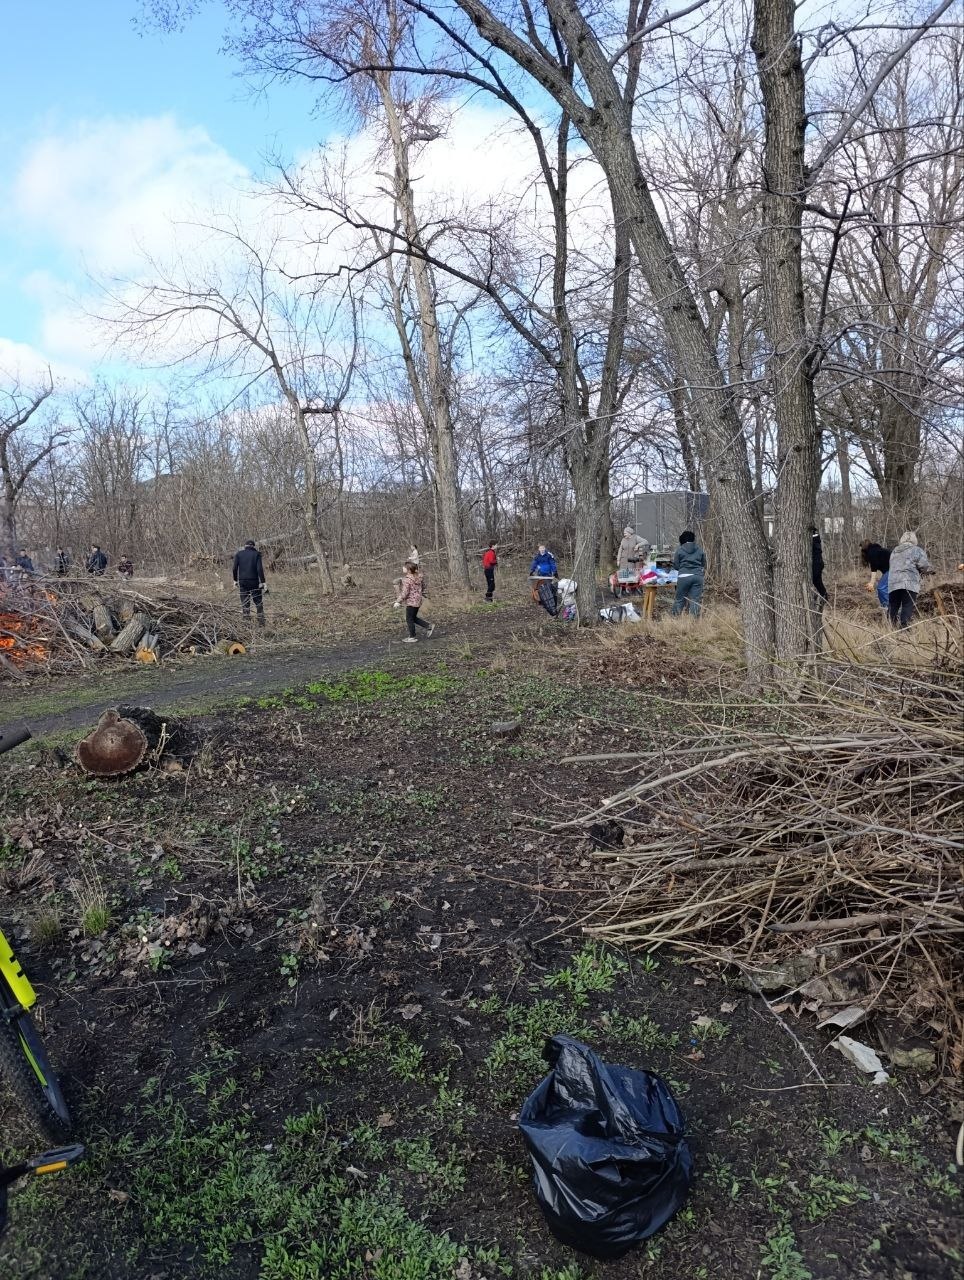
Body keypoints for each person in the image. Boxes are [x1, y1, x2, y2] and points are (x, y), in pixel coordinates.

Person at [886, 531, 932, 628]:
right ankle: (904, 629)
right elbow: (924, 566)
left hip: (893, 583)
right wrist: (930, 571)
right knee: (907, 605)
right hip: (909, 583)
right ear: (914, 540)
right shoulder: (917, 550)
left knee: (893, 605)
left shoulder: (894, 551)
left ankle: (890, 628)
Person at [394, 560, 434, 643]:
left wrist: (398, 601)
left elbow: (405, 593)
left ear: (408, 570)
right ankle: (429, 626)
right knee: (413, 618)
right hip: (418, 601)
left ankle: (412, 637)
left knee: (409, 619)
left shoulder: (407, 580)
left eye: (404, 567)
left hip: (411, 602)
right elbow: (423, 586)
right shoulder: (419, 577)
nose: (403, 568)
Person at [670, 530, 706, 617]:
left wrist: (682, 569)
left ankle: (675, 618)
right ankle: (693, 621)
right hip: (697, 576)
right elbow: (703, 564)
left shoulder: (679, 550)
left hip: (684, 577)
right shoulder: (700, 550)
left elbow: (676, 566)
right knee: (695, 600)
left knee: (680, 599)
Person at [232, 539, 266, 626]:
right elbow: (259, 569)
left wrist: (235, 580)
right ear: (253, 546)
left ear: (245, 546)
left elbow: (234, 568)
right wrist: (263, 582)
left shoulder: (239, 554)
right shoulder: (257, 554)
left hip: (243, 581)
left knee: (245, 602)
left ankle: (246, 623)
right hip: (254, 581)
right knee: (258, 602)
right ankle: (261, 622)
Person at [860, 540, 891, 609]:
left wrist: (871, 583)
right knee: (887, 589)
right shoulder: (877, 550)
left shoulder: (872, 552)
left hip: (893, 570)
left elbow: (874, 568)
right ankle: (887, 606)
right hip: (893, 570)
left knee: (881, 588)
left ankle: (888, 606)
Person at [530, 543, 559, 616]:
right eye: (540, 548)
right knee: (541, 587)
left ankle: (550, 600)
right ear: (539, 549)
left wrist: (555, 571)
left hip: (548, 574)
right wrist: (532, 570)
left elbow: (552, 563)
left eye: (543, 548)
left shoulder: (549, 555)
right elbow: (534, 563)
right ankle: (542, 601)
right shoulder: (537, 556)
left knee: (548, 587)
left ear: (545, 548)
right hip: (540, 574)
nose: (542, 550)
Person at [810, 525, 828, 601]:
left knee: (816, 580)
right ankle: (824, 595)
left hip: (817, 563)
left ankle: (824, 596)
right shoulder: (816, 538)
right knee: (817, 581)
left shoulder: (814, 538)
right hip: (818, 562)